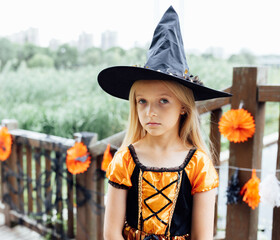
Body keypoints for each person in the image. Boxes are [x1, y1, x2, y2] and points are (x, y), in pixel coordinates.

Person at [97, 6, 231, 240]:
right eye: (142, 101)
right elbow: (111, 233)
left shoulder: (198, 164)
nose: (150, 112)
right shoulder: (125, 160)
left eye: (163, 101)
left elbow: (203, 237)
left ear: (183, 107)